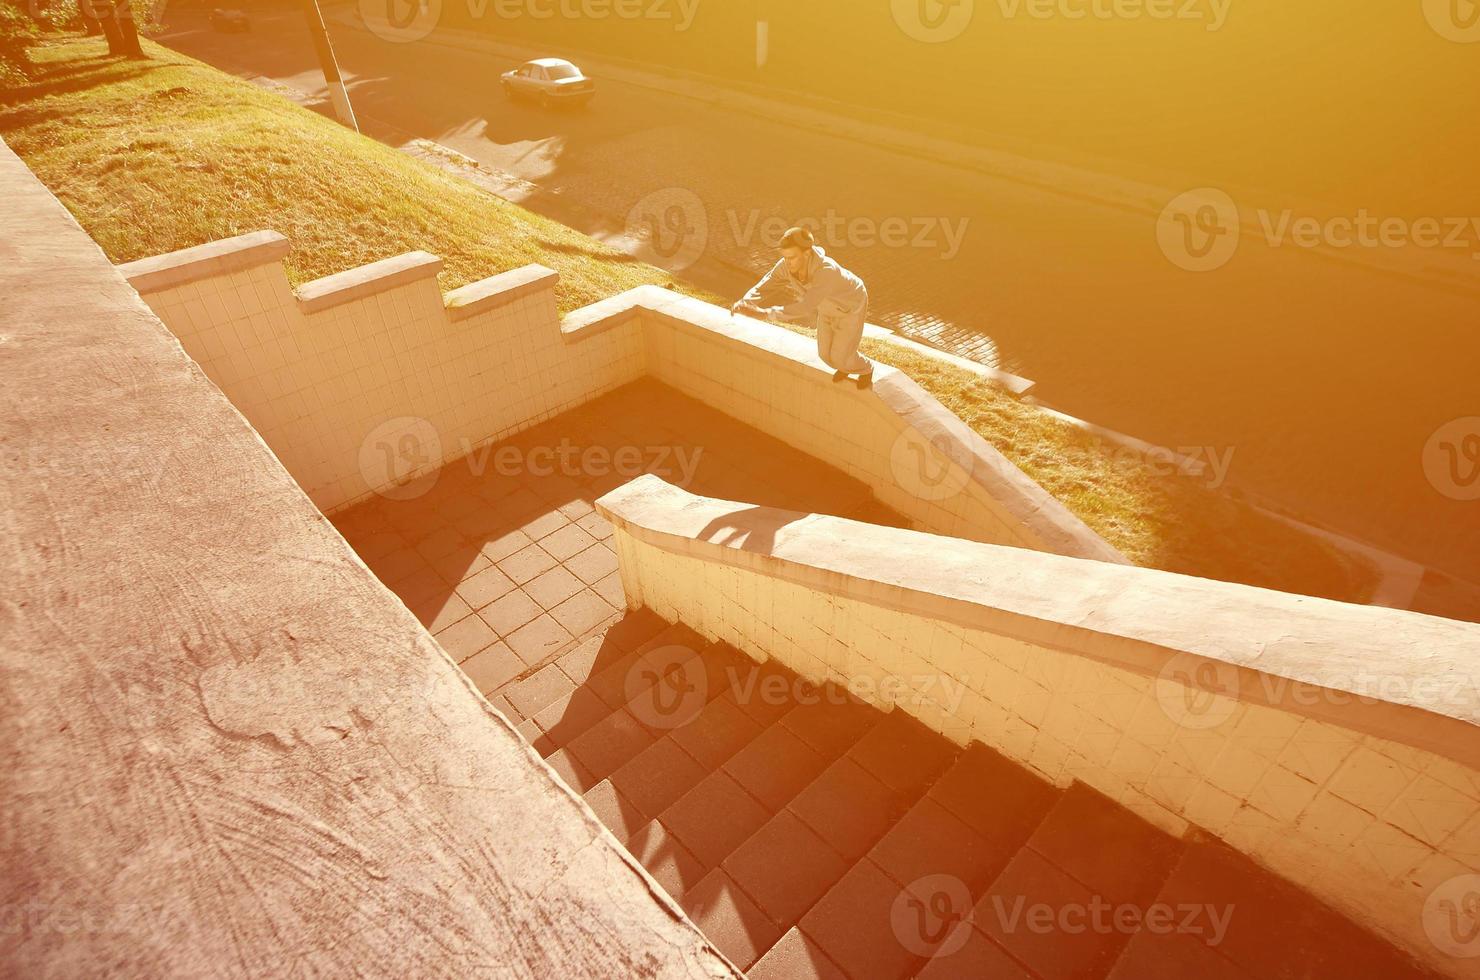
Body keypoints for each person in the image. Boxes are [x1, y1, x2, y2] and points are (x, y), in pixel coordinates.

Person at [731, 226, 874, 389]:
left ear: (807, 253)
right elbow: (768, 282)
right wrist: (746, 301)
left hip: (850, 307)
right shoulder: (787, 265)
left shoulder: (826, 271)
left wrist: (764, 314)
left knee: (840, 357)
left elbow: (805, 307)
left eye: (791, 257)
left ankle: (866, 369)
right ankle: (845, 364)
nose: (787, 262)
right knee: (825, 356)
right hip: (825, 308)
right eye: (784, 257)